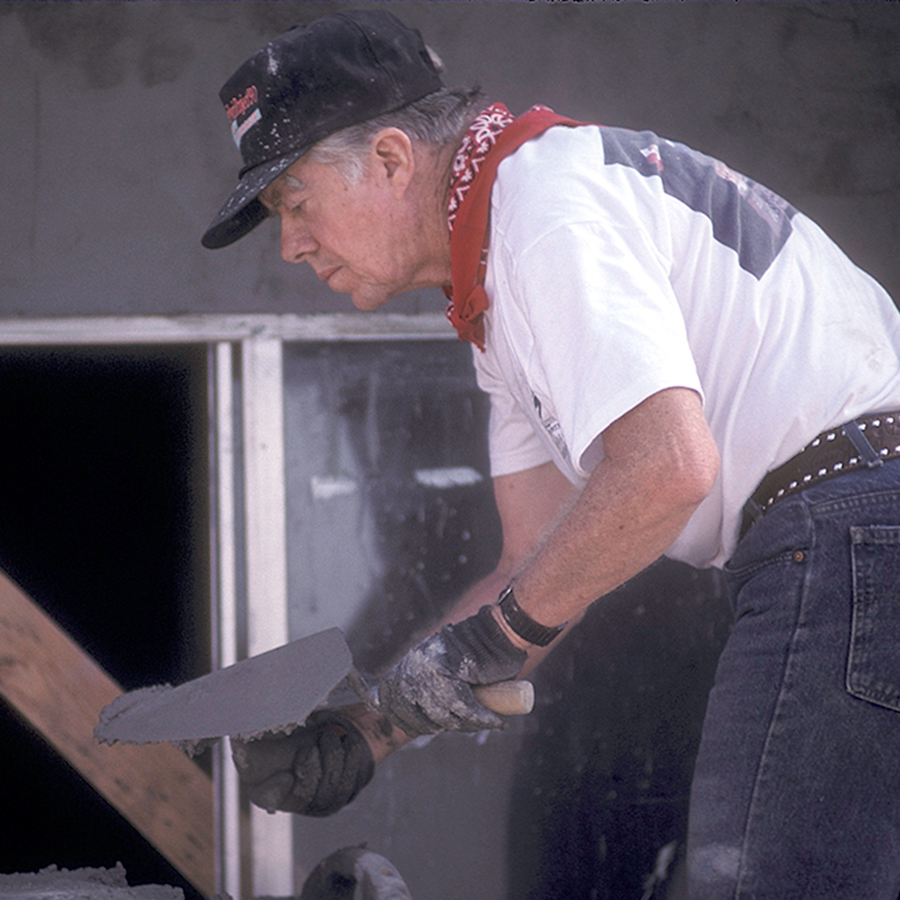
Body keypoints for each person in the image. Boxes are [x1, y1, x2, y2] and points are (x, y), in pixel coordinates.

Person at [202, 10, 900, 899]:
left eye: (295, 205)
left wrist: (489, 643)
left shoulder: (542, 212)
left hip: (850, 525)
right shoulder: (502, 286)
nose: (291, 243)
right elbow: (532, 566)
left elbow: (666, 470)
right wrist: (367, 725)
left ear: (388, 159)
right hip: (855, 531)